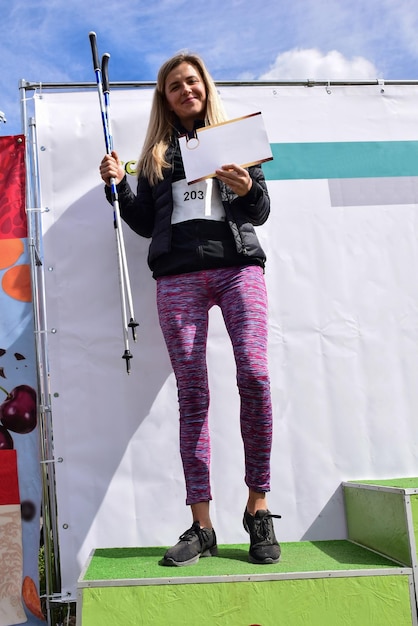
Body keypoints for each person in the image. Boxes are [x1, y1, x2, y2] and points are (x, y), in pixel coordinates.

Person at [100, 52, 281, 567]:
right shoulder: (156, 154)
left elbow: (260, 212)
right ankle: (202, 526)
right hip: (178, 277)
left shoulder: (234, 139)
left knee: (255, 377)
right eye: (174, 85)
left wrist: (246, 188)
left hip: (236, 268)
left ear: (205, 86)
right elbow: (140, 221)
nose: (185, 90)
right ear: (166, 97)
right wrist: (117, 186)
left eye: (191, 81)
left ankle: (258, 506)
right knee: (193, 395)